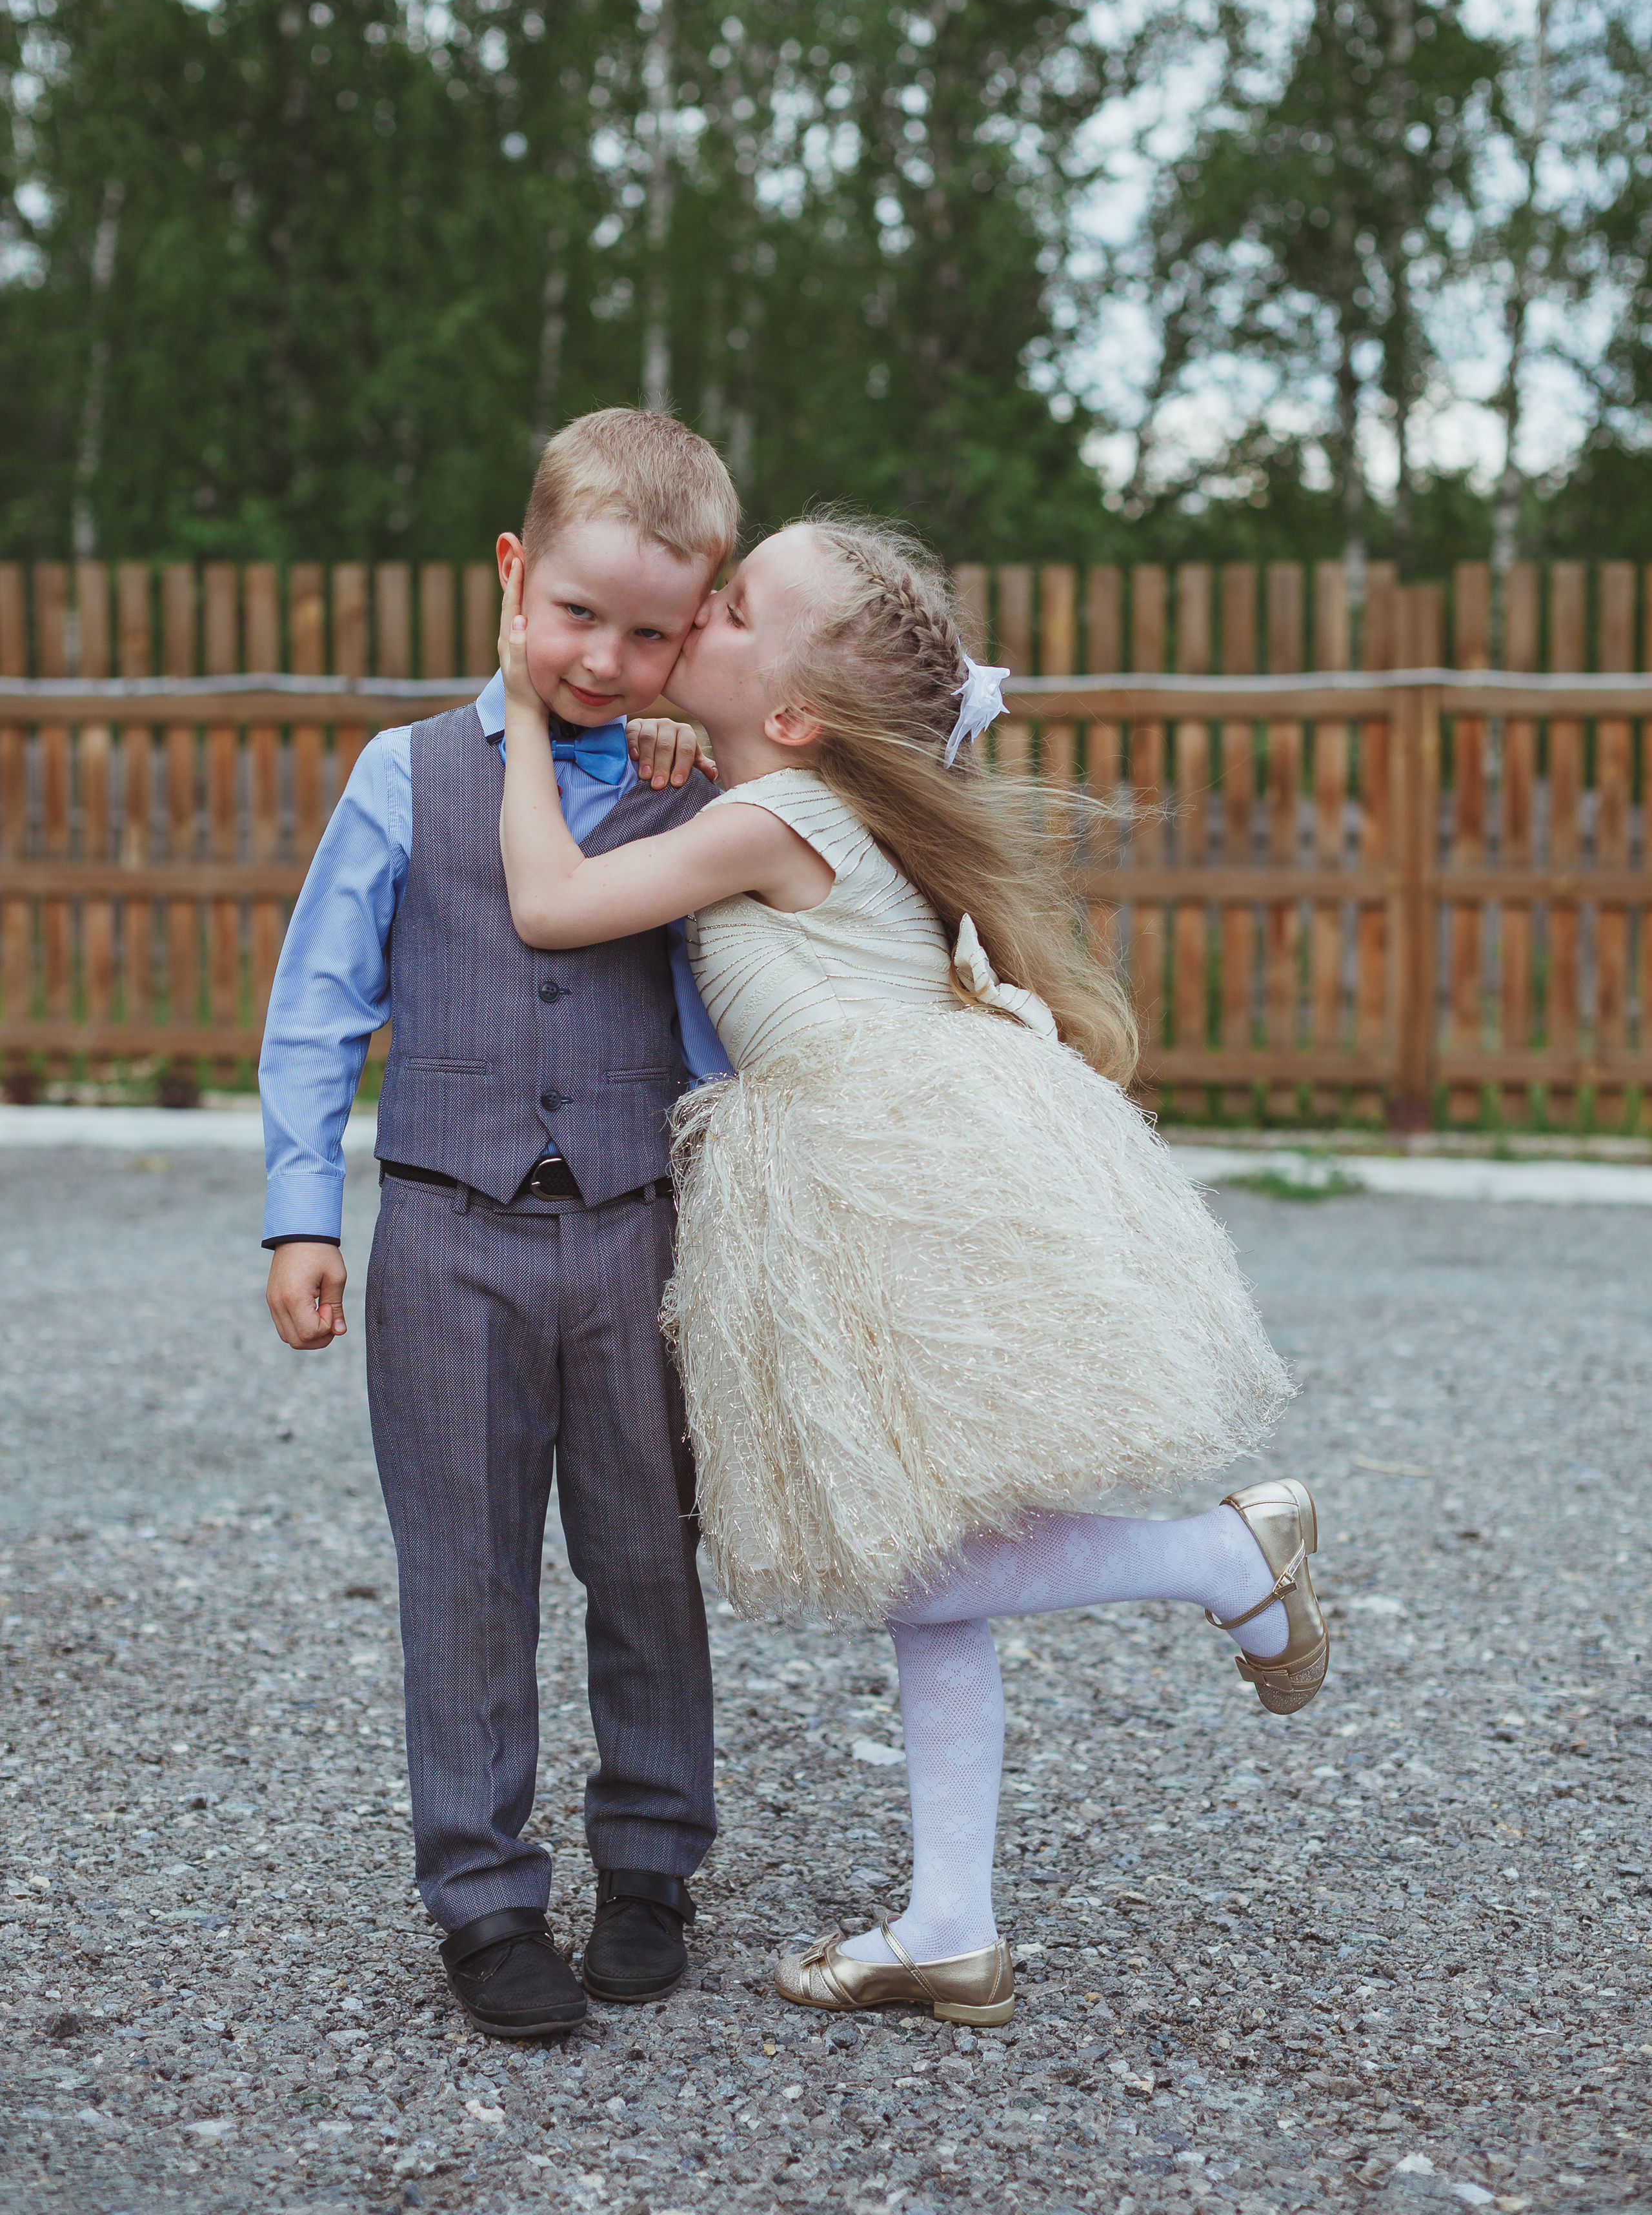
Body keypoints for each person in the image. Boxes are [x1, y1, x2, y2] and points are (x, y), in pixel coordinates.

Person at [495, 511, 1329, 2032]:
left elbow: (549, 905)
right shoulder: (775, 791)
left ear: (793, 714)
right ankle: (951, 1926)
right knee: (928, 1556)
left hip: (879, 1182)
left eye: (731, 605)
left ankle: (1219, 1560)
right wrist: (675, 735)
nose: (703, 607)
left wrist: (517, 713)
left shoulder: (776, 816)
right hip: (876, 1165)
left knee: (909, 1551)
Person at [259, 409, 740, 2039]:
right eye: (577, 615)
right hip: (446, 1235)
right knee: (462, 1576)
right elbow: (318, 1007)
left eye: (649, 636)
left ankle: (653, 1860)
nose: (604, 660)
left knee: (646, 1557)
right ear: (512, 574)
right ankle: (479, 1894)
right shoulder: (404, 775)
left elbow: (723, 1031)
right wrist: (299, 1215)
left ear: (696, 628)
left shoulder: (693, 792)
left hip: (635, 1238)